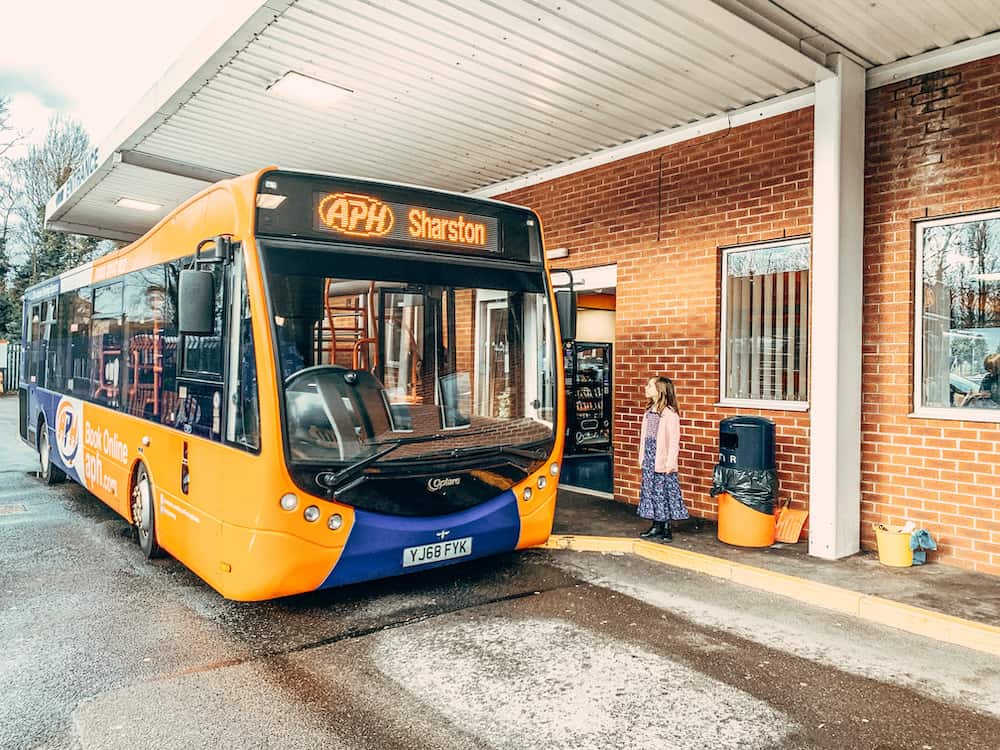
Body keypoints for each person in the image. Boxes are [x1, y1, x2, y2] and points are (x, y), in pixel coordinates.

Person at [637, 376, 689, 541]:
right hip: (650, 457)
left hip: (663, 460)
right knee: (651, 492)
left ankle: (666, 527)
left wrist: (670, 463)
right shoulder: (649, 412)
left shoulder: (670, 415)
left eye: (650, 385)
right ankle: (656, 525)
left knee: (663, 493)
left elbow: (674, 442)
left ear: (660, 390)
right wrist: (642, 457)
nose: (646, 388)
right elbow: (645, 438)